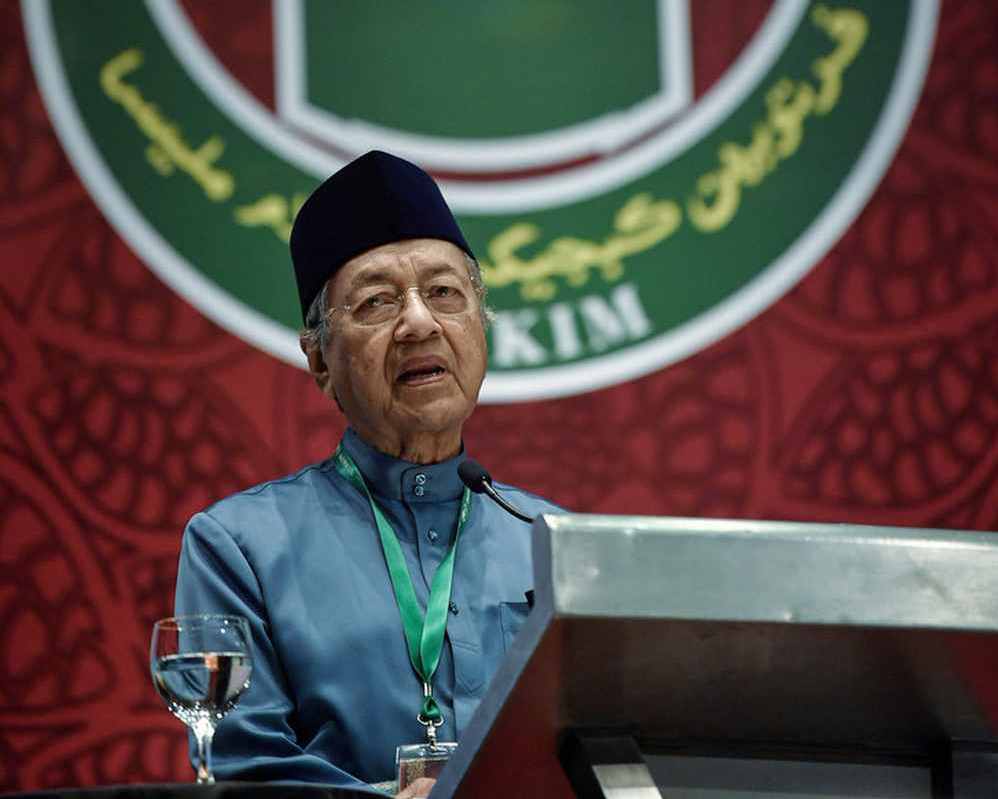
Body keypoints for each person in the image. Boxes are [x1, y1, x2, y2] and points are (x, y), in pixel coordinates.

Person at [174, 151, 561, 795]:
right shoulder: (237, 547)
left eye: (444, 293)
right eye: (378, 302)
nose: (418, 322)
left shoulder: (556, 542)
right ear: (320, 360)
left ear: (480, 329)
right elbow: (242, 767)